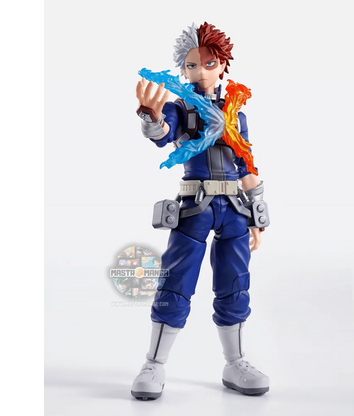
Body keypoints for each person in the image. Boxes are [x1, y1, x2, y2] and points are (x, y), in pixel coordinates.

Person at [131, 22, 270, 400]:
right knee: (176, 283)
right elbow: (163, 134)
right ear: (183, 70)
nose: (201, 71)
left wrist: (258, 216)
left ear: (223, 65)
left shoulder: (235, 114)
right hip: (195, 208)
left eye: (209, 64)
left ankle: (235, 361)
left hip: (234, 210)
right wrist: (151, 118)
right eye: (192, 65)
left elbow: (247, 165)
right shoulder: (180, 108)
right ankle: (154, 363)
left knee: (235, 284)